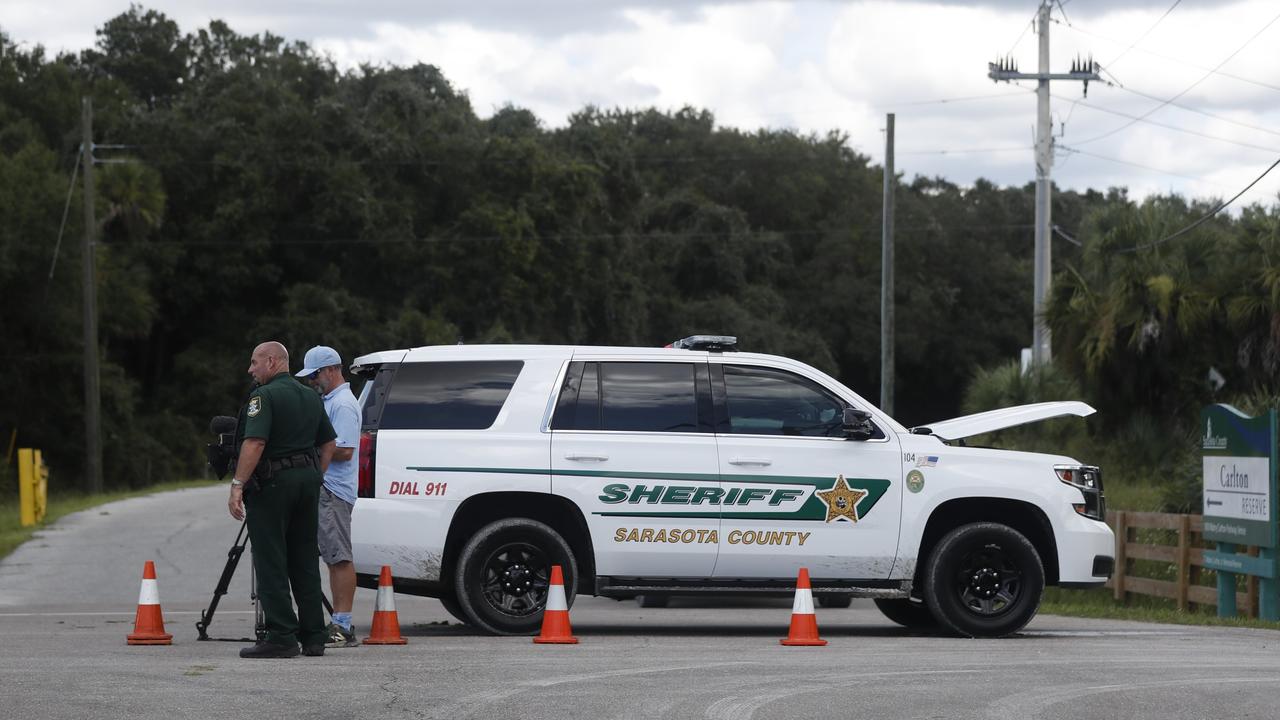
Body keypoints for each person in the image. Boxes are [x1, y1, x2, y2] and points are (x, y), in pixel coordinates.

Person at [228, 341, 337, 659]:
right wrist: (315, 474)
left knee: (271, 557)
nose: (250, 369)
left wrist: (238, 484)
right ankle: (314, 636)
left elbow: (255, 442)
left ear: (272, 362)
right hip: (307, 482)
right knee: (304, 558)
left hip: (274, 485)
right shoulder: (310, 395)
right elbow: (328, 443)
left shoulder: (264, 396)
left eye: (254, 362)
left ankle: (281, 636)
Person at [297, 345, 361, 648]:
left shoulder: (343, 404)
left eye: (315, 375)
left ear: (332, 370)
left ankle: (342, 624)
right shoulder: (329, 401)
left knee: (339, 557)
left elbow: (345, 450)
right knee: (331, 557)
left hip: (334, 490)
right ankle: (335, 622)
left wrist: (305, 448)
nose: (312, 381)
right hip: (325, 489)